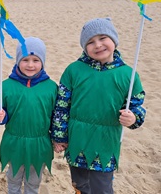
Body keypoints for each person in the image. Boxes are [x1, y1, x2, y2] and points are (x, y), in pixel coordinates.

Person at [51, 18, 146, 194]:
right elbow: (61, 107)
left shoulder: (127, 74)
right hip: (77, 140)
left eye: (103, 38)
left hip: (106, 142)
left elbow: (137, 104)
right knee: (79, 183)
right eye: (90, 42)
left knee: (102, 187)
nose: (98, 45)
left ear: (114, 40)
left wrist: (133, 117)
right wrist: (59, 136)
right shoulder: (74, 70)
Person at [0, 37, 57, 194]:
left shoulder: (51, 87)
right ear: (17, 61)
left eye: (35, 60)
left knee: (33, 181)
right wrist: (0, 116)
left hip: (40, 143)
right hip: (14, 142)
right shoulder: (6, 86)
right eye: (25, 59)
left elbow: (57, 116)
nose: (30, 65)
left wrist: (59, 139)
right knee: (14, 179)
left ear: (42, 62)